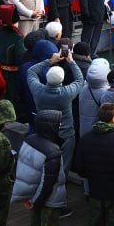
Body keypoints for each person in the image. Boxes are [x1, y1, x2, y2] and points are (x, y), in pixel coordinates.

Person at [27, 50, 86, 181]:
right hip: (65, 134)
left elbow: (31, 72)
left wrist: (49, 61)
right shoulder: (66, 93)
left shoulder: (38, 90)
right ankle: (60, 187)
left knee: (45, 163)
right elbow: (80, 79)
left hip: (44, 133)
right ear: (62, 79)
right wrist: (71, 61)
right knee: (63, 167)